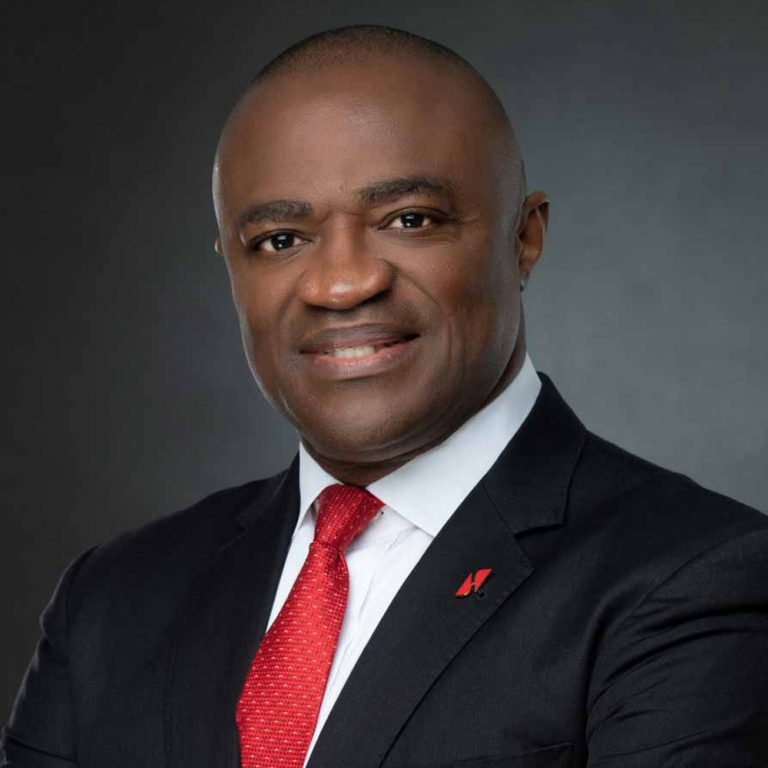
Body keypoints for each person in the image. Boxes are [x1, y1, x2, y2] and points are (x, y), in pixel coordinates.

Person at [3, 24, 767, 768]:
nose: (342, 283)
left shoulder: (694, 579)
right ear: (231, 265)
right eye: (280, 239)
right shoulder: (113, 598)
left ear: (524, 238)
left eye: (410, 220)